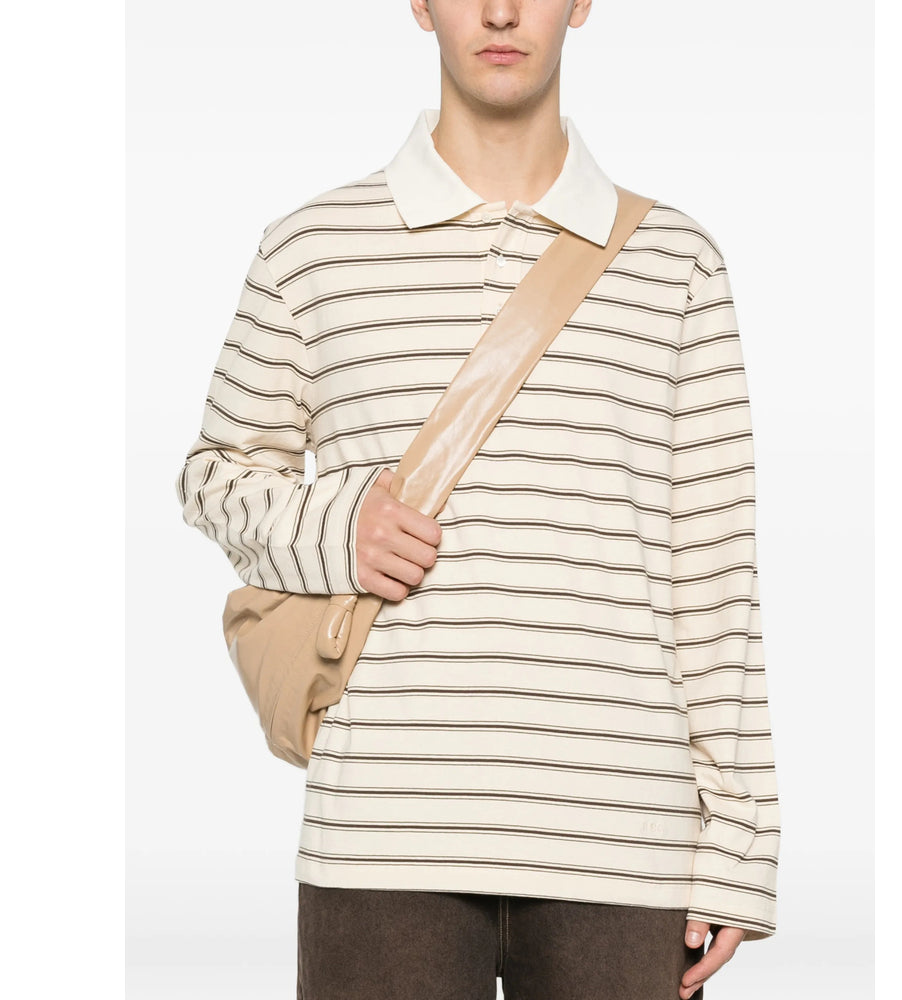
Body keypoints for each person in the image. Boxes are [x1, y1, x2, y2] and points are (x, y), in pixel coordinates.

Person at [174, 1, 781, 997]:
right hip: (381, 836)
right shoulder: (311, 248)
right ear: (419, 3)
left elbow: (716, 575)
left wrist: (739, 848)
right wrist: (341, 527)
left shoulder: (677, 263)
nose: (500, 10)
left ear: (582, 2)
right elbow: (215, 476)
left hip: (623, 839)